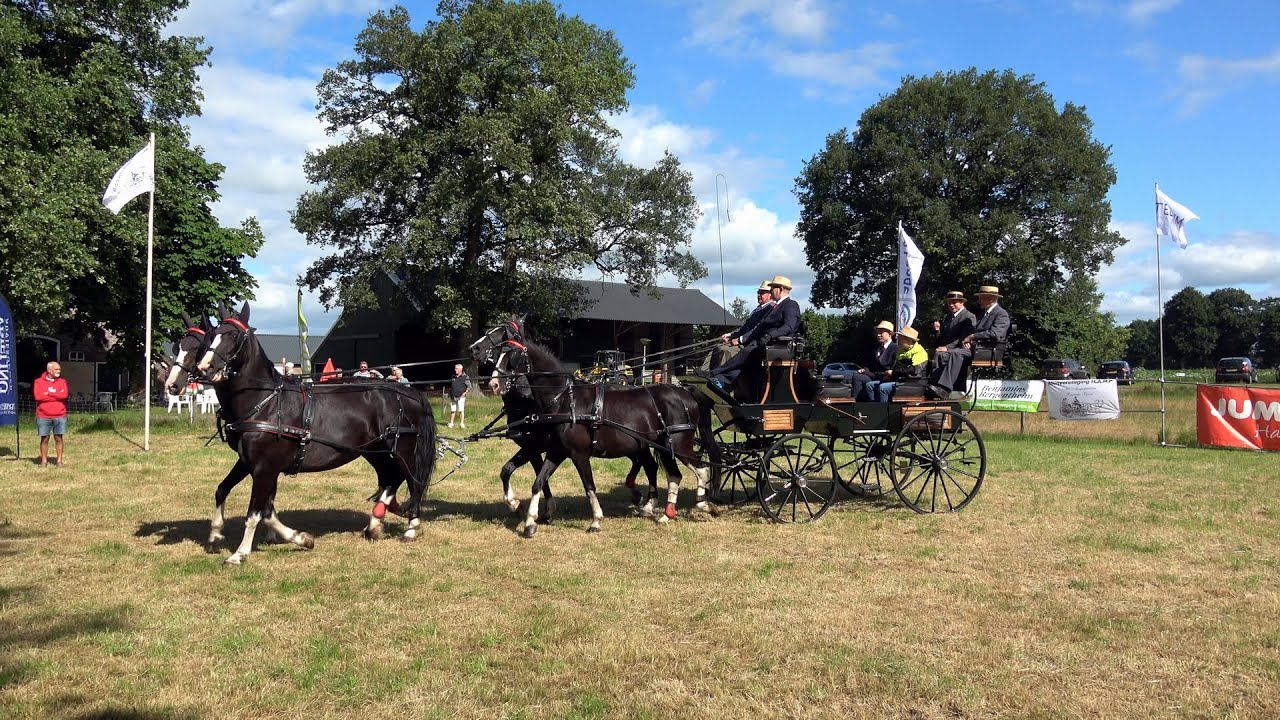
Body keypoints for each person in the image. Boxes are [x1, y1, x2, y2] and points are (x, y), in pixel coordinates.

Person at [710, 275, 801, 389]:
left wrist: (769, 335)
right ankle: (720, 380)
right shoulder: (775, 307)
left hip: (777, 346)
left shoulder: (790, 305)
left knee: (746, 353)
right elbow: (759, 327)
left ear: (781, 289)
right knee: (745, 358)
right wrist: (736, 336)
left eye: (773, 288)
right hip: (763, 343)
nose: (771, 290)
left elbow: (789, 326)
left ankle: (714, 374)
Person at [928, 285, 1011, 398]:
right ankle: (934, 385)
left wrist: (972, 337)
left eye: (981, 298)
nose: (979, 301)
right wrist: (969, 340)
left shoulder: (1001, 314)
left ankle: (945, 389)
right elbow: (975, 332)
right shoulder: (984, 314)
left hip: (987, 350)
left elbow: (996, 334)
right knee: (944, 355)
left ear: (990, 298)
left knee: (956, 353)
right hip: (976, 348)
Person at [866, 327, 929, 401]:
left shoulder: (919, 352)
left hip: (914, 383)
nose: (898, 341)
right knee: (870, 385)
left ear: (908, 339)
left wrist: (893, 373)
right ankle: (874, 408)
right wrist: (890, 375)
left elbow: (912, 370)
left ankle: (884, 411)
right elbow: (897, 367)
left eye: (900, 338)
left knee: (883, 388)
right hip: (901, 380)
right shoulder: (901, 351)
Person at [849, 320, 898, 401]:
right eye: (877, 333)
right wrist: (864, 369)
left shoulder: (895, 348)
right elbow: (871, 365)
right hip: (875, 376)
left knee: (865, 381)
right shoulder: (877, 348)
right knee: (857, 376)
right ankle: (856, 404)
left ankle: (871, 405)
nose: (878, 335)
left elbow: (893, 368)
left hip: (884, 377)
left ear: (889, 334)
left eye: (881, 333)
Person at [33, 361, 69, 468]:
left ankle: (59, 461)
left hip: (60, 414)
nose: (59, 371)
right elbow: (38, 397)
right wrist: (56, 394)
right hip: (43, 415)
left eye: (59, 369)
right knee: (44, 439)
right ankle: (44, 461)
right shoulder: (38, 382)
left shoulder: (62, 382)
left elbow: (64, 395)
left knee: (59, 438)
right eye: (56, 369)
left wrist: (48, 393)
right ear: (49, 370)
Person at [932, 290, 976, 355]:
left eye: (954, 302)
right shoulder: (948, 317)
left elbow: (964, 337)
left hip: (958, 349)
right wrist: (937, 330)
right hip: (944, 346)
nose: (951, 305)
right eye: (949, 303)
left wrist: (947, 347)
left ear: (962, 302)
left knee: (939, 355)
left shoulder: (969, 316)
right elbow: (943, 336)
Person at [448, 363, 471, 428]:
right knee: (453, 410)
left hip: (461, 396)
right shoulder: (453, 377)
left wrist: (465, 393)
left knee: (461, 410)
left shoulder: (465, 377)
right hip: (453, 396)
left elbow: (469, 387)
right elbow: (451, 385)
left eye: (457, 369)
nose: (455, 370)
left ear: (461, 369)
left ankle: (461, 423)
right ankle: (451, 423)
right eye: (455, 368)